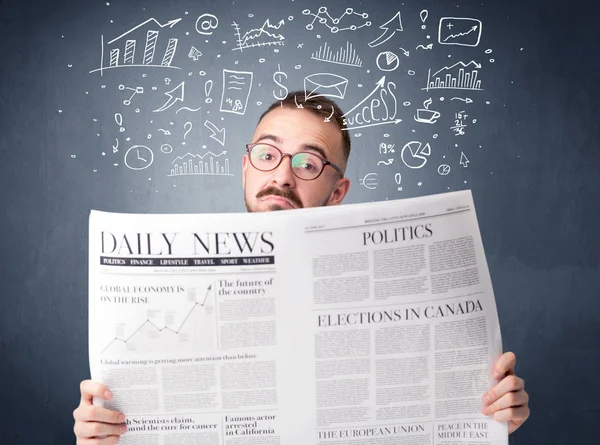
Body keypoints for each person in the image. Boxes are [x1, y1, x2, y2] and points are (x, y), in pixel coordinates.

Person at [73, 91, 530, 443]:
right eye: (268, 155)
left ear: (337, 192)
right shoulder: (163, 298)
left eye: (308, 163)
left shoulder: (395, 301)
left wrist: (488, 417)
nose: (282, 176)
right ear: (246, 168)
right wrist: (102, 437)